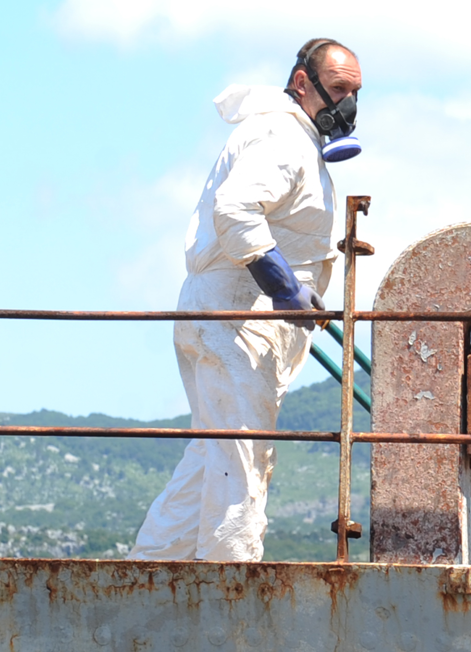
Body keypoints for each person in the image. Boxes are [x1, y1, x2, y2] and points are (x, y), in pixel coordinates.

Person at [128, 39, 362, 561]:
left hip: (224, 318)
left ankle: (147, 574)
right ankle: (231, 595)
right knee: (243, 466)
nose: (348, 106)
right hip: (237, 321)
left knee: (213, 459)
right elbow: (236, 210)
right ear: (302, 82)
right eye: (340, 89)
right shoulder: (282, 135)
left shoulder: (293, 137)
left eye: (355, 93)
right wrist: (284, 288)